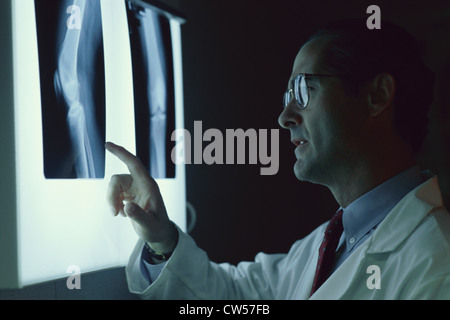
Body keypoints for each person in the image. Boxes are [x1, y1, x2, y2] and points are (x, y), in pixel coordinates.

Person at [106, 20, 450, 299]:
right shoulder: (325, 245)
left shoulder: (437, 265)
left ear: (377, 96)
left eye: (303, 91)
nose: (284, 116)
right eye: (287, 97)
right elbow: (234, 296)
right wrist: (161, 239)